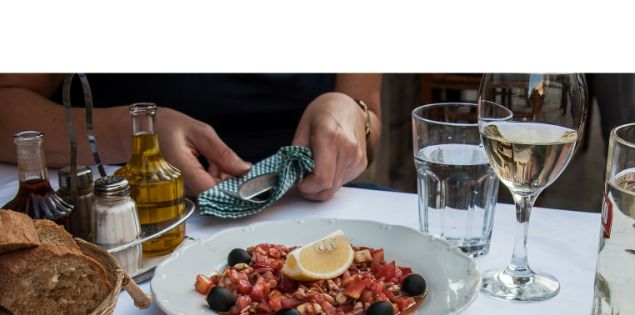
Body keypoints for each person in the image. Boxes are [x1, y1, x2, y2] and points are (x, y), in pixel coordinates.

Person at [0, 73, 382, 201]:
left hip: (306, 213)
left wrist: (349, 113)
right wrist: (139, 137)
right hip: (138, 216)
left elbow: (370, 123)